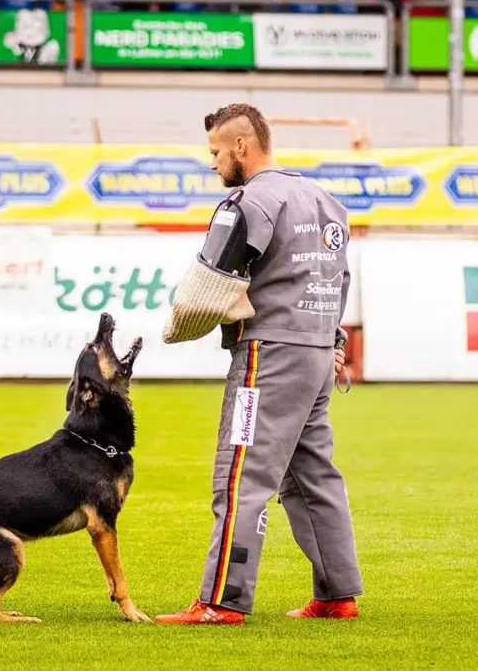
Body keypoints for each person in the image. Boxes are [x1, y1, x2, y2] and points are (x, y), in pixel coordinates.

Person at [156, 103, 363, 625]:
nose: (212, 163)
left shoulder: (245, 203)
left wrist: (175, 329)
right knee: (313, 476)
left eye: (215, 152)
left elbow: (206, 284)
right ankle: (337, 595)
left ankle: (221, 601)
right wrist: (333, 341)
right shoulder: (325, 201)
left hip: (266, 359)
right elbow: (339, 282)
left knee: (240, 476)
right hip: (317, 354)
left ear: (241, 147)